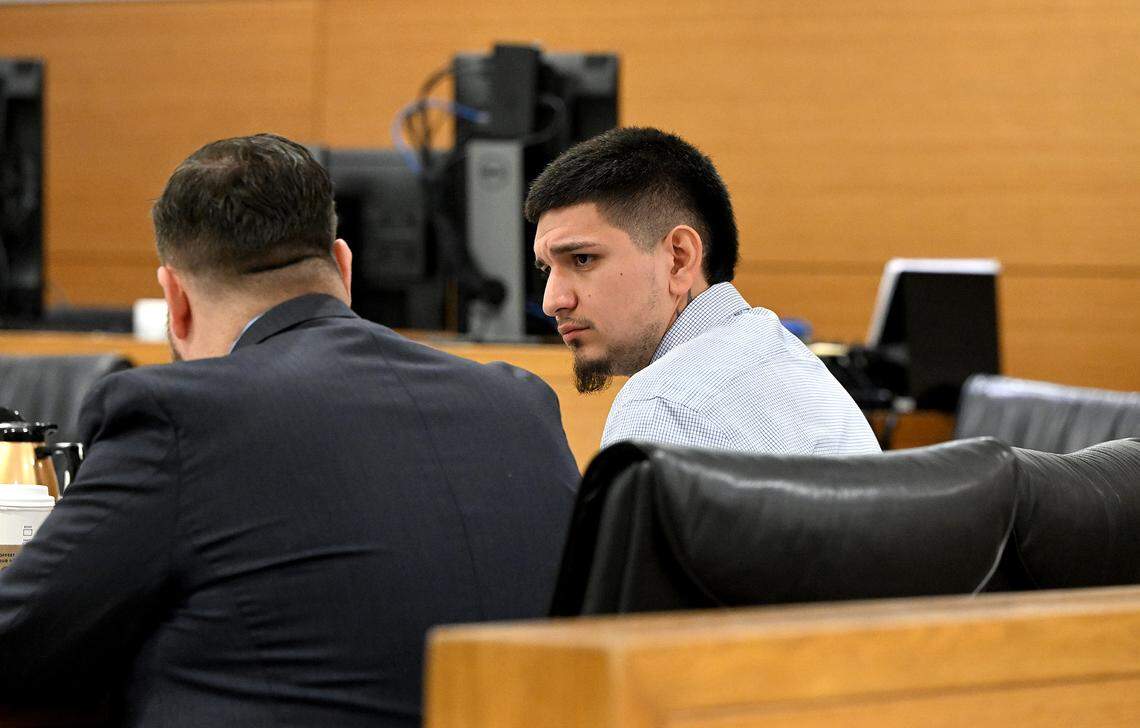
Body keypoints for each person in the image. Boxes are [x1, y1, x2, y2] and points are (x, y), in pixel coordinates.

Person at [0, 133, 579, 726]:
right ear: (344, 267)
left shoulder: (181, 416)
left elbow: (16, 641)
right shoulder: (521, 402)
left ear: (175, 299)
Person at [526, 126, 880, 455]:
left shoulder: (664, 404)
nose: (552, 302)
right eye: (546, 270)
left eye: (583, 259)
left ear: (679, 259)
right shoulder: (789, 361)